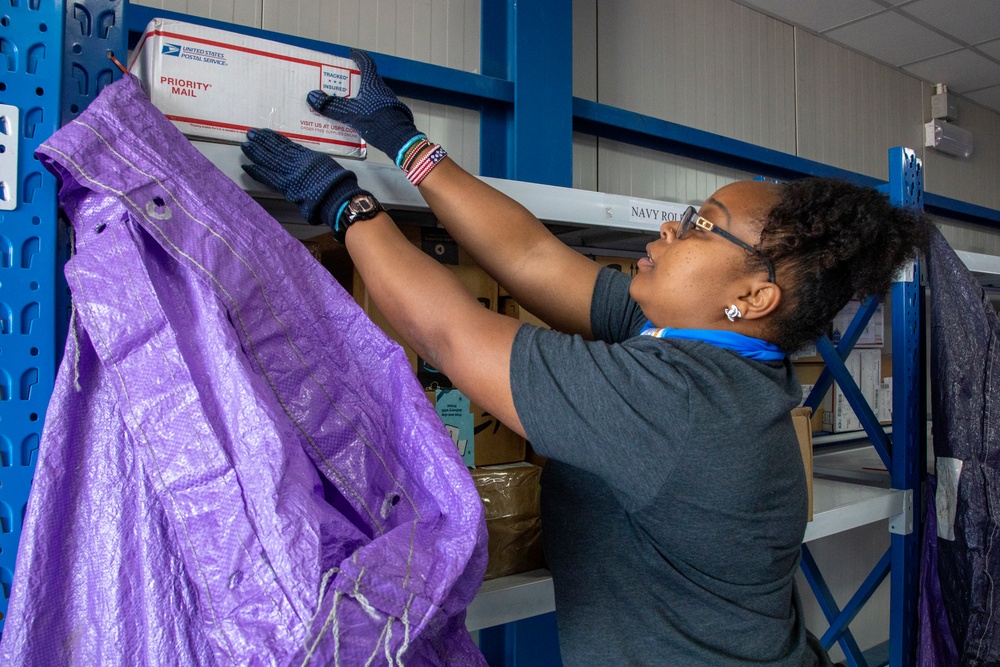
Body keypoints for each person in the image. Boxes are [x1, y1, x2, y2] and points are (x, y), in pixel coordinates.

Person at [241, 49, 928, 667]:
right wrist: (405, 142)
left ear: (753, 294)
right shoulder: (694, 345)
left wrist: (343, 203)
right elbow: (533, 257)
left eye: (700, 224)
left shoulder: (681, 403)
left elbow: (451, 334)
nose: (671, 225)